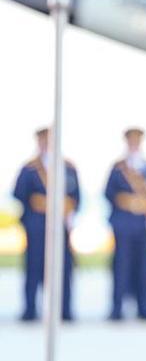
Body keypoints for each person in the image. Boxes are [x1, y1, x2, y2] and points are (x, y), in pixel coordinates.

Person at [12, 127, 80, 321]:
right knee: (33, 267)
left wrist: (69, 212)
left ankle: (64, 310)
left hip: (60, 226)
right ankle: (30, 309)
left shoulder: (67, 168)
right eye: (43, 141)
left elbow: (75, 197)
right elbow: (20, 194)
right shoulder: (30, 169)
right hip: (37, 226)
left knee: (63, 268)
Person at [105, 127, 146, 320]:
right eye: (131, 141)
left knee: (144, 269)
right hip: (123, 224)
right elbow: (110, 194)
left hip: (142, 225)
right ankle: (117, 309)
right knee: (121, 267)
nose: (134, 144)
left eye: (137, 141)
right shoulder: (118, 168)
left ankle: (144, 309)